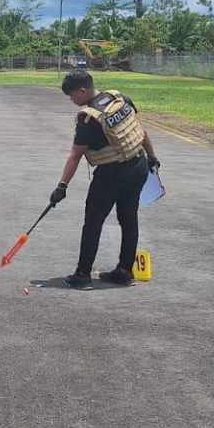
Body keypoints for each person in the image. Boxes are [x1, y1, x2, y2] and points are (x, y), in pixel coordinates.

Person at [49, 69, 159, 289]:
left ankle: (83, 274)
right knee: (128, 219)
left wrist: (62, 187)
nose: (72, 101)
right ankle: (125, 271)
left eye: (72, 96)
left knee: (93, 222)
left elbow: (75, 156)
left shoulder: (89, 118)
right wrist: (152, 157)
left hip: (111, 174)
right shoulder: (119, 98)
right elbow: (140, 129)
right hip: (138, 165)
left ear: (83, 90)